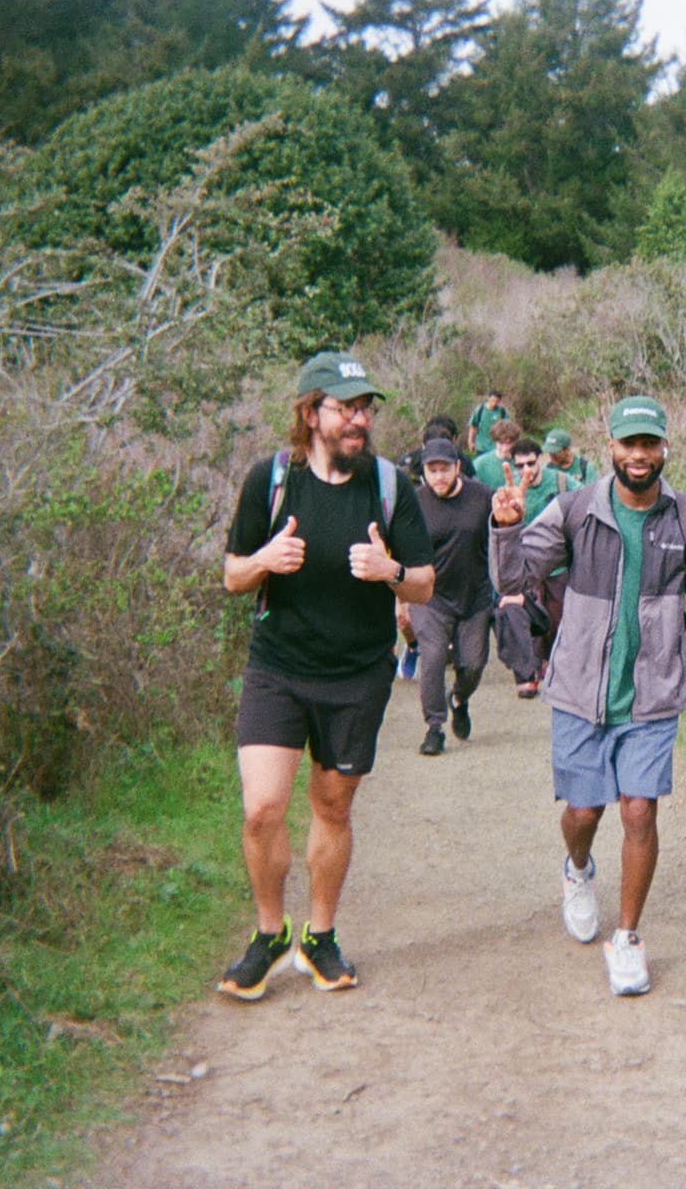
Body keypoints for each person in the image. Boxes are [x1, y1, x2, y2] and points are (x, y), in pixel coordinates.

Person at [492, 395, 686, 996]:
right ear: (611, 448)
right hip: (580, 691)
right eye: (629, 444)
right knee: (584, 812)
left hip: (651, 696)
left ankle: (626, 938)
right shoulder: (575, 510)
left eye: (649, 443)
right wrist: (506, 529)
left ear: (664, 448)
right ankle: (578, 868)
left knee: (638, 811)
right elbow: (514, 579)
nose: (639, 455)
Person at [217, 351, 436, 1000]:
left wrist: (390, 572)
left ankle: (319, 937)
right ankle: (269, 934)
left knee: (332, 807)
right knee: (262, 810)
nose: (359, 419)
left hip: (357, 674)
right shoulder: (270, 480)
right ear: (312, 414)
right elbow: (232, 575)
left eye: (365, 408)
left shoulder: (390, 487)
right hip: (278, 667)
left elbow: (425, 584)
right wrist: (264, 559)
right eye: (346, 408)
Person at [396, 436, 495, 756]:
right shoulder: (415, 503)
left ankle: (459, 699)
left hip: (475, 594)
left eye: (444, 469)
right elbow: (402, 554)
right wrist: (401, 599)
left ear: (457, 468)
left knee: (474, 663)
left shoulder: (482, 497)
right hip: (430, 597)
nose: (438, 477)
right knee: (433, 658)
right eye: (431, 470)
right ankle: (434, 727)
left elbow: (503, 534)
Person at [492, 437, 567, 699]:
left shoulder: (563, 483)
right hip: (525, 569)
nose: (526, 470)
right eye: (520, 465)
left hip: (557, 567)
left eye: (531, 463)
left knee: (555, 620)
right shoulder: (508, 491)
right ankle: (529, 673)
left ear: (540, 460)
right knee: (522, 617)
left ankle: (549, 663)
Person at [472, 417, 522, 488]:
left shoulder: (524, 462)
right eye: (501, 443)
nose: (505, 448)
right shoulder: (480, 464)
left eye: (509, 443)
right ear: (495, 441)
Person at [465, 389, 508, 455]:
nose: (494, 403)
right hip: (481, 446)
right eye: (493, 400)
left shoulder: (502, 411)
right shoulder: (480, 410)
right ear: (488, 398)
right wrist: (470, 442)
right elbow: (473, 426)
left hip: (496, 447)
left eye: (497, 401)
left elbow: (507, 428)